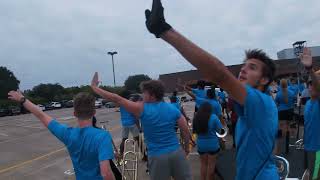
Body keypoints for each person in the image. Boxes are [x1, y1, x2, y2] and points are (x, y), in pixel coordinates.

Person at [144, 1, 279, 179]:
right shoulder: (253, 106)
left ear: (264, 79)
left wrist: (164, 30)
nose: (243, 69)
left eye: (252, 67)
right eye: (244, 65)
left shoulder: (261, 102)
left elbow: (220, 74)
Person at [90, 72, 192, 180]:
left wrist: (94, 87)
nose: (142, 95)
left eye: (144, 93)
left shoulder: (142, 109)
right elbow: (185, 130)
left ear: (152, 95)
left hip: (157, 157)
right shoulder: (173, 109)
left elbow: (117, 98)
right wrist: (186, 148)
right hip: (177, 153)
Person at [7, 91, 115, 180]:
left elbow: (41, 115)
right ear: (94, 112)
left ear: (74, 114)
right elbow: (106, 173)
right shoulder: (103, 136)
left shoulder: (67, 134)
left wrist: (23, 99)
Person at [300, 47, 320, 180]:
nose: (311, 86)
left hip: (318, 149)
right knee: (309, 174)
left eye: (314, 84)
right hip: (309, 147)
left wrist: (309, 69)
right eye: (309, 84)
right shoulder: (308, 104)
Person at [193, 102, 223, 180]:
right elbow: (220, 131)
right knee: (211, 165)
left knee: (203, 164)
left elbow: (194, 132)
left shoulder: (196, 118)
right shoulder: (213, 117)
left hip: (201, 145)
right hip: (212, 145)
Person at [275, 79, 295, 154]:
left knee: (282, 127)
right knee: (289, 125)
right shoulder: (292, 92)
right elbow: (293, 100)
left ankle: (281, 143)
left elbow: (276, 102)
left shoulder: (278, 94)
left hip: (281, 111)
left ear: (280, 85)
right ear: (287, 84)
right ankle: (288, 140)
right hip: (290, 110)